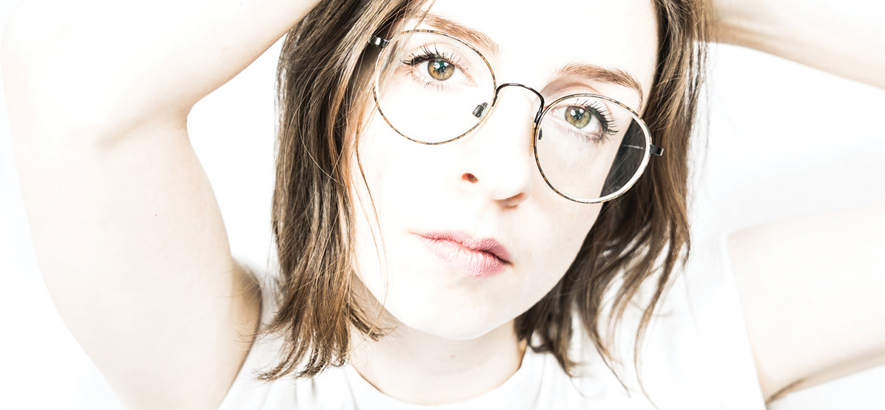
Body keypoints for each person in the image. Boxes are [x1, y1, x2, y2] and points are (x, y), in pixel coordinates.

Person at [2, 0, 882, 409]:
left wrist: (730, 7)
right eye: (436, 65)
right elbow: (72, 93)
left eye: (585, 113)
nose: (503, 174)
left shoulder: (677, 355)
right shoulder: (228, 367)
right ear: (338, 88)